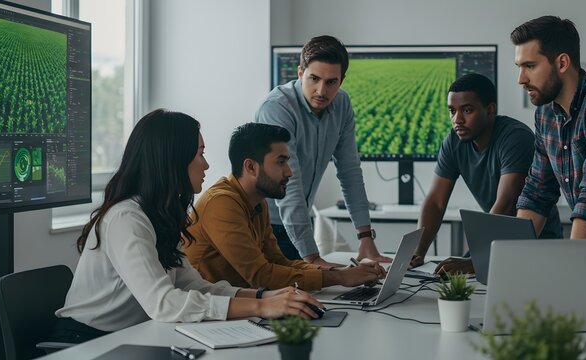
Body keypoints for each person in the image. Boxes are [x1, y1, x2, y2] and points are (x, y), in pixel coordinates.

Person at [52, 110, 323, 344]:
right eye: (200, 154)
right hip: (86, 342)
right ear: (173, 159)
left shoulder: (160, 215)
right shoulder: (126, 218)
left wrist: (265, 295)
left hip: (131, 335)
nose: (206, 164)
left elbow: (193, 286)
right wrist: (261, 307)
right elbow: (164, 303)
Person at [184, 123, 386, 291]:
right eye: (281, 162)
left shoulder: (258, 201)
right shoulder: (221, 203)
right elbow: (261, 276)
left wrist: (343, 271)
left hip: (239, 306)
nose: (289, 172)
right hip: (210, 316)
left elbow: (278, 262)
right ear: (251, 167)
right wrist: (339, 279)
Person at [256, 35, 391, 267]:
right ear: (300, 73)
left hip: (300, 219)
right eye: (314, 78)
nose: (321, 90)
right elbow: (291, 186)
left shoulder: (342, 105)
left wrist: (365, 236)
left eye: (331, 82)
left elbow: (349, 171)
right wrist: (314, 260)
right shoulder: (277, 108)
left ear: (342, 80)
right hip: (263, 225)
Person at [410, 73, 562, 274]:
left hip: (537, 245)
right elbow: (435, 202)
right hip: (495, 240)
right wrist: (416, 254)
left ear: (490, 110)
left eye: (467, 110)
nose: (457, 119)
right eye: (452, 111)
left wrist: (476, 261)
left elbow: (506, 204)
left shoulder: (516, 138)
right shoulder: (454, 142)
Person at [512, 16, 586, 238]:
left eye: (530, 66)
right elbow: (537, 193)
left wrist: (575, 267)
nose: (521, 79)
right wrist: (508, 258)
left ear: (562, 63)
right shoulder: (545, 114)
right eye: (519, 67)